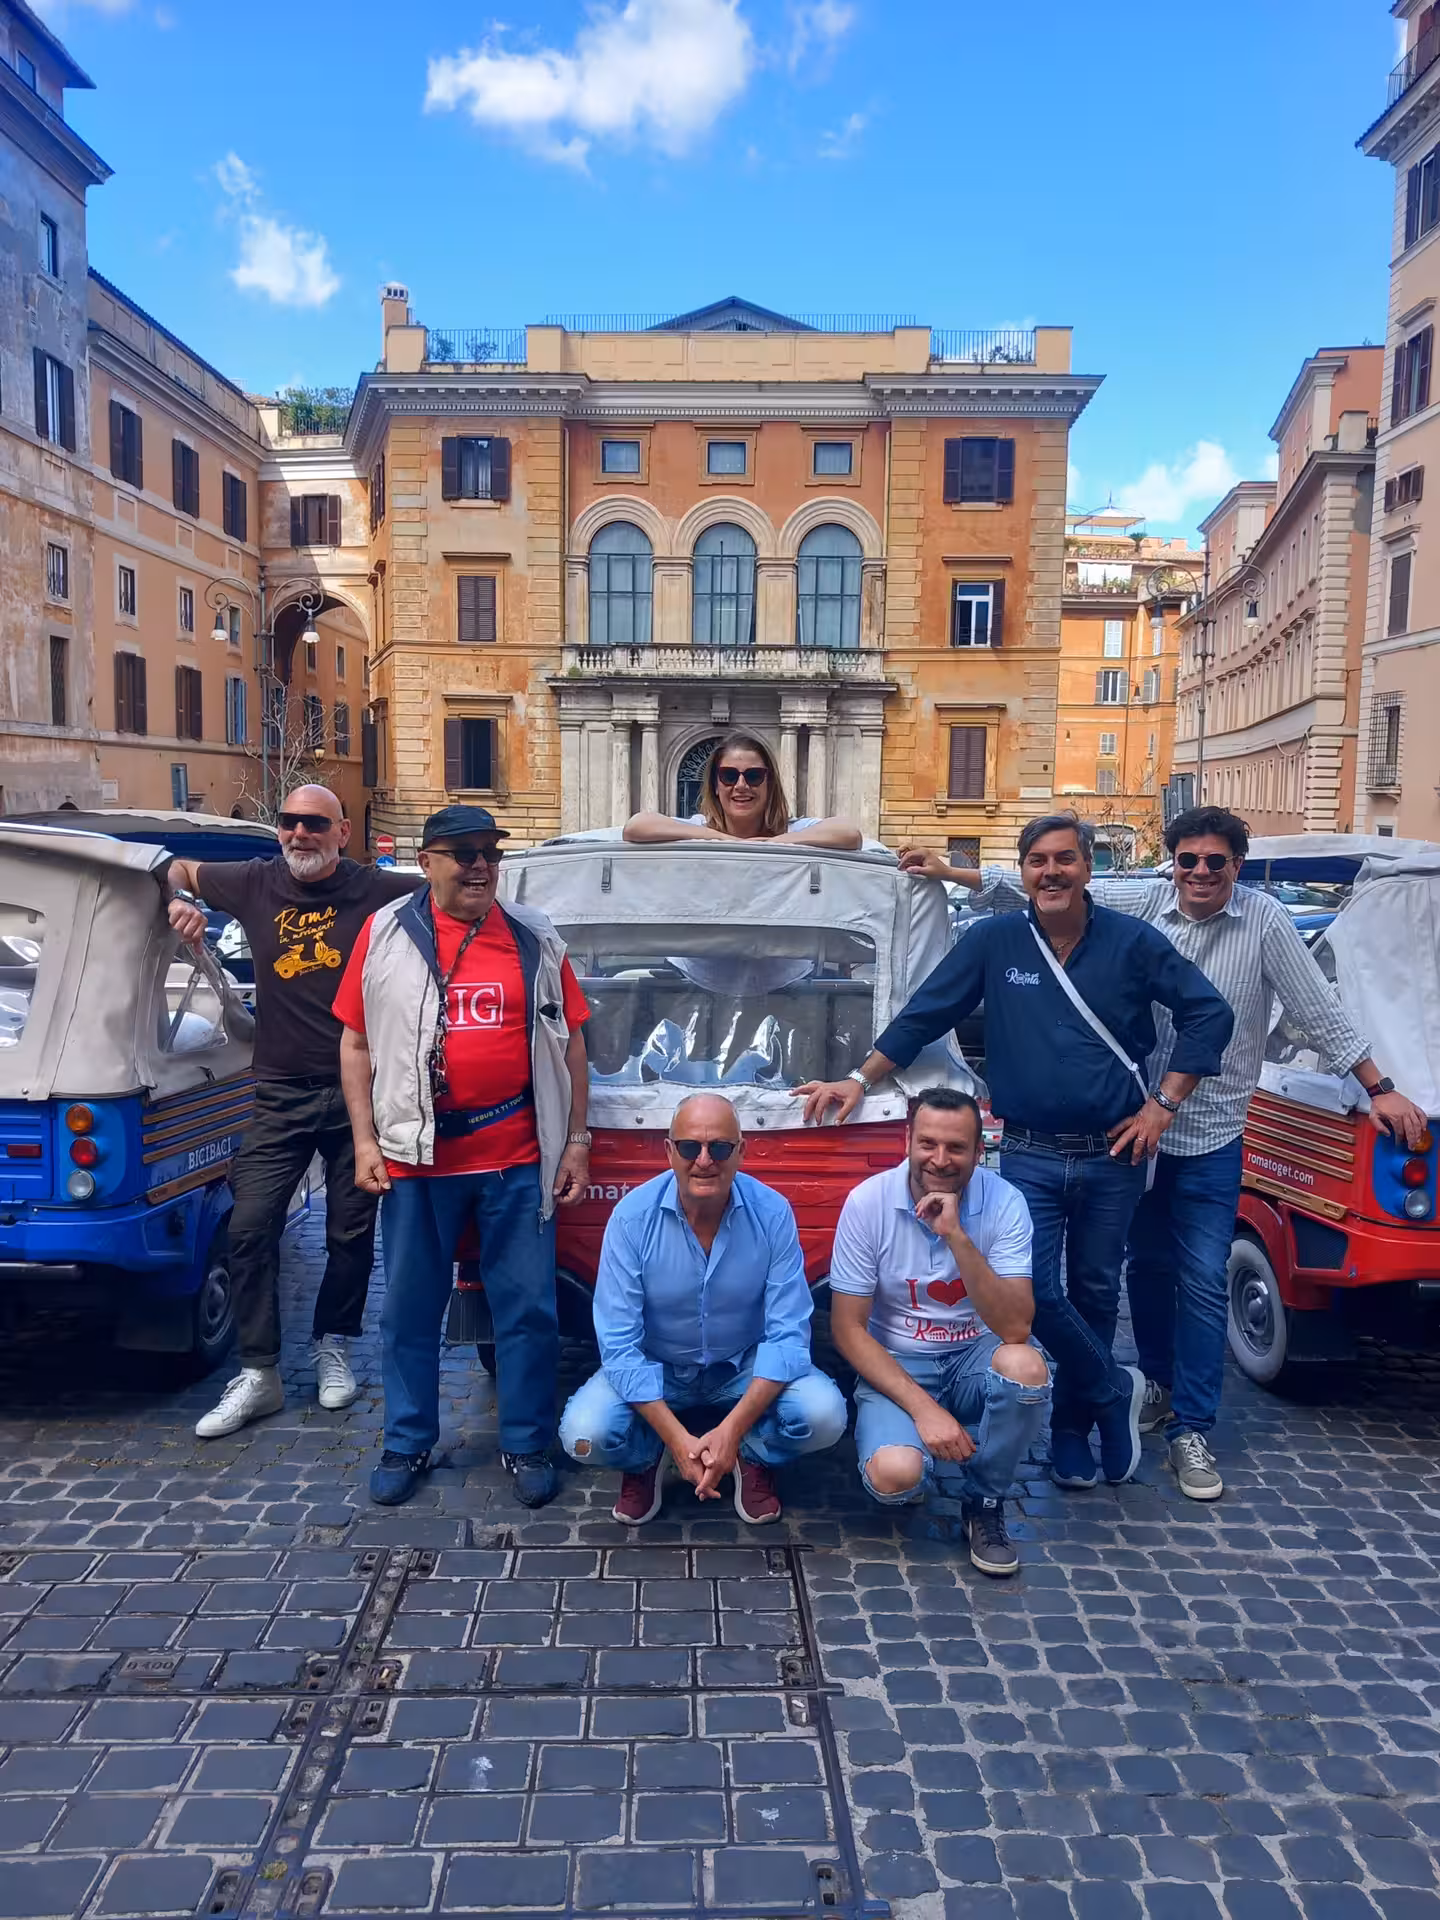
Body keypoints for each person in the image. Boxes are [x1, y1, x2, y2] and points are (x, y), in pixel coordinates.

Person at [902, 806, 1428, 1501]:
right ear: (1171, 864)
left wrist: (1378, 1087)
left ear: (1237, 868)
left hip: (1202, 1129)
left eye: (1216, 862)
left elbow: (1317, 1008)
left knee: (1203, 1277)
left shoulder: (1266, 923)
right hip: (1128, 1135)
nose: (1201, 873)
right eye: (1188, 860)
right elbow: (1039, 881)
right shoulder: (1145, 899)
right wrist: (948, 870)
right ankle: (1142, 1388)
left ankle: (1192, 1427)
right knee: (1136, 1274)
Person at [799, 812, 1235, 1494]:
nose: (1051, 872)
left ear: (1086, 867)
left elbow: (1210, 1012)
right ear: (1025, 871)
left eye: (1064, 859)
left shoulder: (1132, 942)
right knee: (1040, 1295)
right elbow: (927, 1012)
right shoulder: (996, 940)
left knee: (1095, 1290)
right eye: (1038, 861)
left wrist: (1165, 1104)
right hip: (1028, 1151)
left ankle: (1073, 1427)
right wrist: (858, 1079)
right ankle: (1113, 1385)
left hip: (1113, 1152)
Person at [333, 805, 592, 1509]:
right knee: (410, 1312)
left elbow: (571, 1043)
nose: (480, 865)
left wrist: (575, 1141)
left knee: (529, 1311)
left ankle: (527, 1441)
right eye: (463, 853)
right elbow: (355, 1046)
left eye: (489, 853)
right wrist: (363, 1141)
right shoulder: (384, 935)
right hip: (418, 1162)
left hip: (513, 1156)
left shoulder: (535, 937)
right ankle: (408, 1441)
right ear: (427, 862)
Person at [165, 786, 418, 1438]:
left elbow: (447, 896)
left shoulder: (375, 889)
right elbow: (177, 866)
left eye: (314, 824)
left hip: (355, 1091)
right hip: (278, 1092)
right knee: (249, 1228)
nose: (299, 834)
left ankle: (333, 1342)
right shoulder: (253, 882)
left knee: (350, 1233)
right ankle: (260, 1372)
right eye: (288, 823)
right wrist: (180, 899)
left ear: (341, 832)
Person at [559, 1092, 847, 1525]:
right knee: (584, 1434)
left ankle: (752, 1456)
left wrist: (732, 1435)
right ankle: (646, 1459)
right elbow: (618, 1344)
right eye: (691, 1147)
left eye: (721, 1147)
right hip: (662, 1365)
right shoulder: (631, 1219)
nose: (705, 1160)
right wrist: (677, 1440)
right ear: (669, 1151)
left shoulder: (773, 1214)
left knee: (824, 1416)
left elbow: (788, 1334)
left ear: (743, 1150)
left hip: (742, 1365)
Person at [829, 1089, 1050, 1577]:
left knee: (1028, 1368)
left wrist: (957, 1235)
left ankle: (986, 1500)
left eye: (957, 1148)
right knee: (896, 1478)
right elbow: (846, 1329)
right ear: (907, 1140)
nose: (940, 1160)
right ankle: (916, 1451)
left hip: (975, 1355)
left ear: (979, 1151)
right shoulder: (867, 1203)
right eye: (927, 1143)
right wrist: (925, 1411)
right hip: (898, 1360)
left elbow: (1016, 1327)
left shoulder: (1005, 1202)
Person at [623, 731, 863, 849]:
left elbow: (849, 833)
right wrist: (723, 839)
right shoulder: (698, 828)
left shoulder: (792, 829)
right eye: (728, 776)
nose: (741, 786)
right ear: (715, 785)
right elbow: (636, 826)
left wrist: (777, 842)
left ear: (770, 784)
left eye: (754, 776)